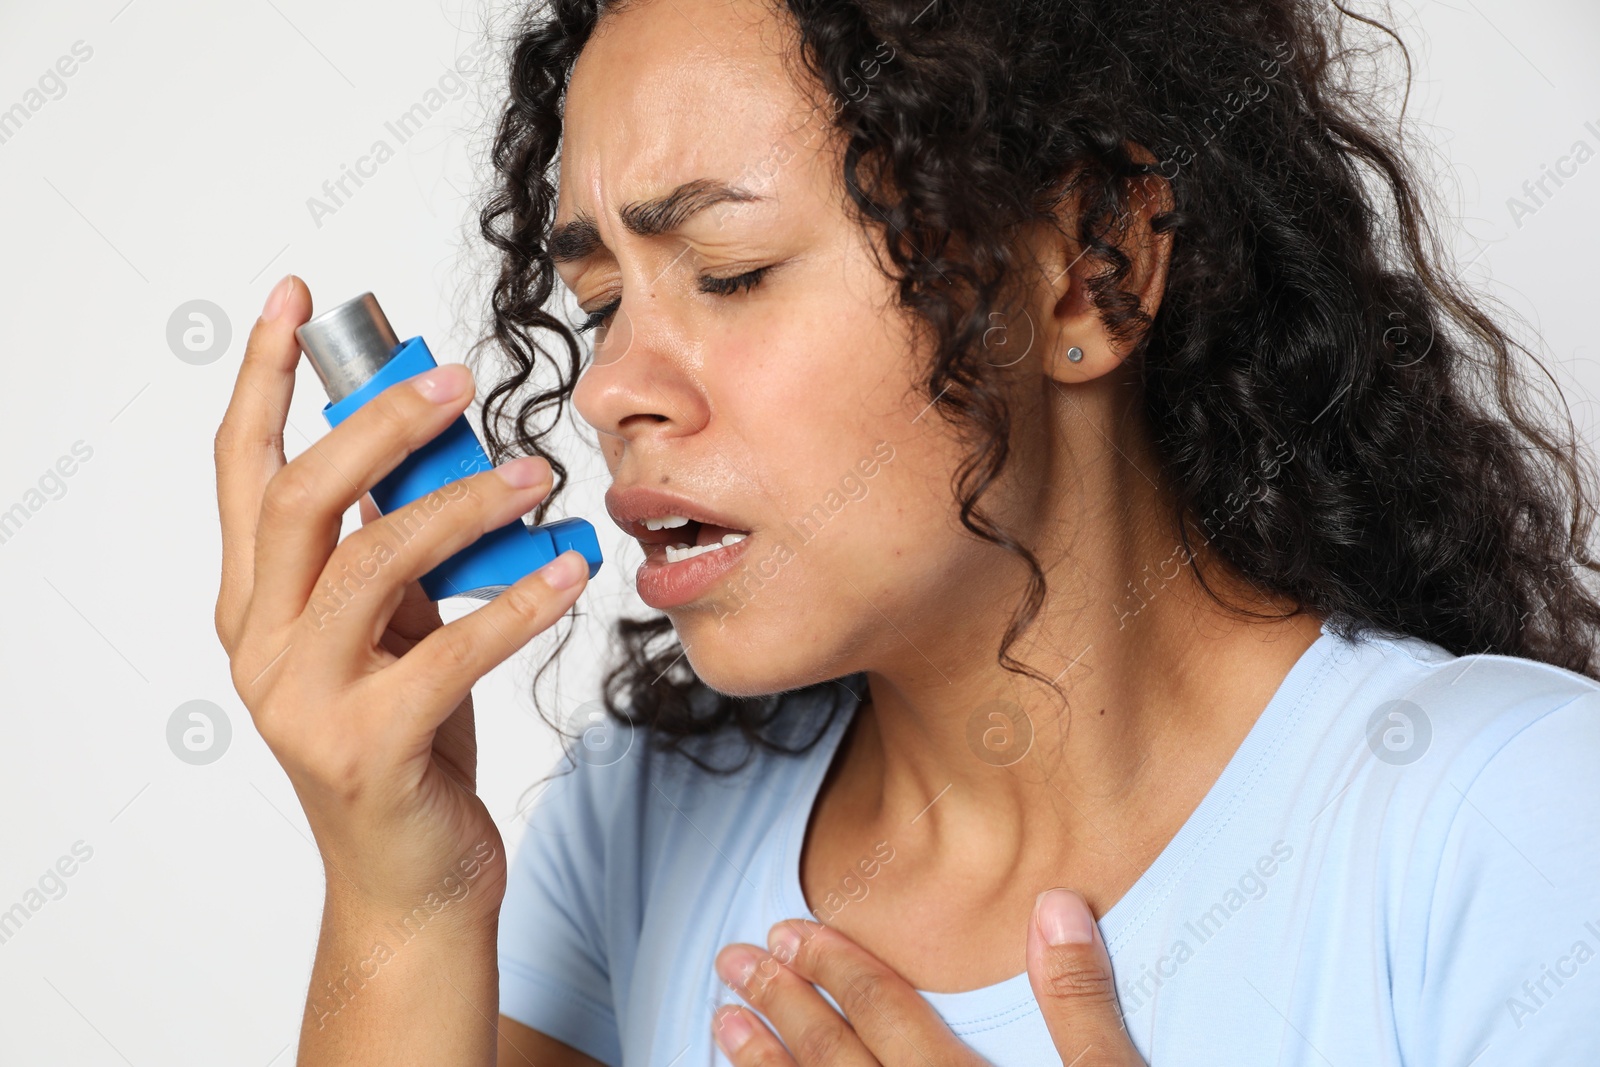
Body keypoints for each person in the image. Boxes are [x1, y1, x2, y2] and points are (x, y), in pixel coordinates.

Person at [212, 0, 1600, 1063]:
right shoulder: (636, 822)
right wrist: (401, 888)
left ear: (1088, 270)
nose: (614, 389)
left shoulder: (1506, 817)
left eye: (732, 271)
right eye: (598, 304)